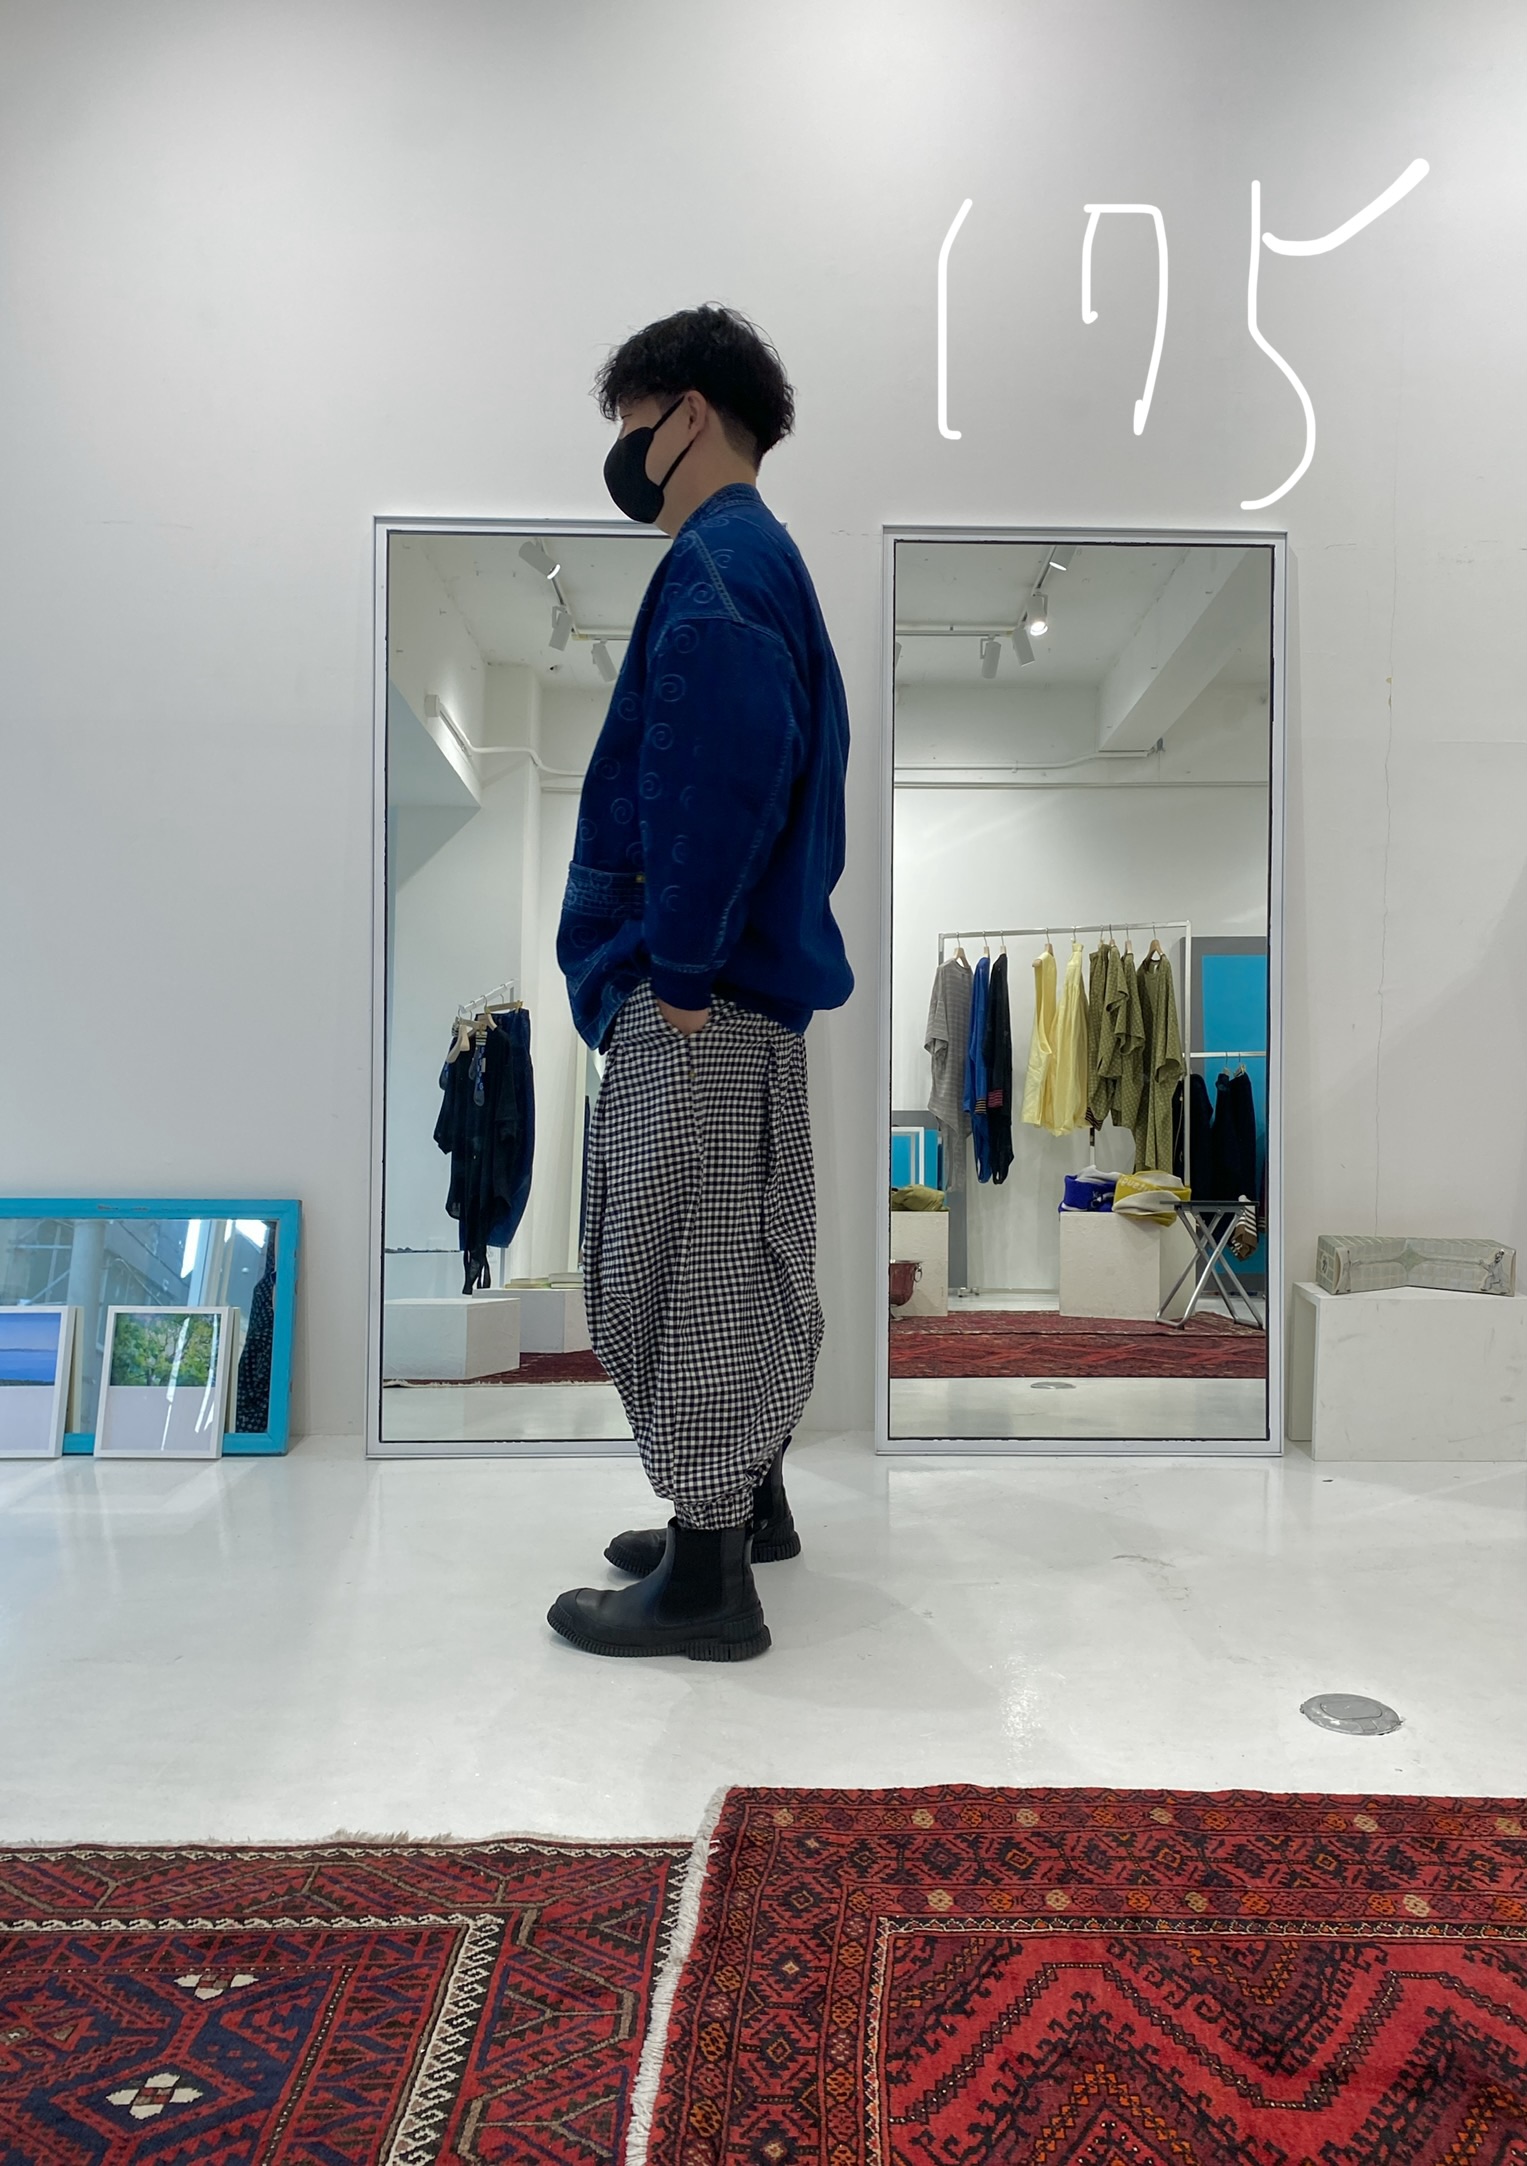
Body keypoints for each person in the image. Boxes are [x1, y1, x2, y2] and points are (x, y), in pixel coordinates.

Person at [547, 305, 853, 1663]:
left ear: (688, 414)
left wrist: (675, 968)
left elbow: (718, 774)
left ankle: (709, 1579)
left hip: (701, 998)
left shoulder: (719, 570)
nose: (624, 450)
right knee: (736, 1251)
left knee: (677, 1268)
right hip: (744, 998)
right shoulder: (759, 559)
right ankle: (746, 1503)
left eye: (633, 421)